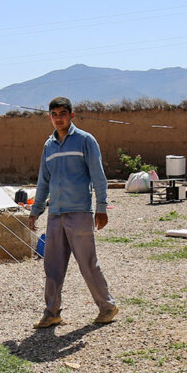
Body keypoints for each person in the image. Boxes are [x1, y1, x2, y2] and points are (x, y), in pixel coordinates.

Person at [25, 97, 117, 328]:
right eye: (54, 114)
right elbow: (43, 182)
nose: (59, 118)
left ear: (71, 115)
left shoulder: (85, 141)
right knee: (52, 265)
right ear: (50, 117)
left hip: (79, 212)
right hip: (55, 213)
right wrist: (35, 212)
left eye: (63, 113)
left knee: (87, 263)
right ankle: (52, 313)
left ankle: (107, 307)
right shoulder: (49, 146)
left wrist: (101, 207)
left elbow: (98, 176)